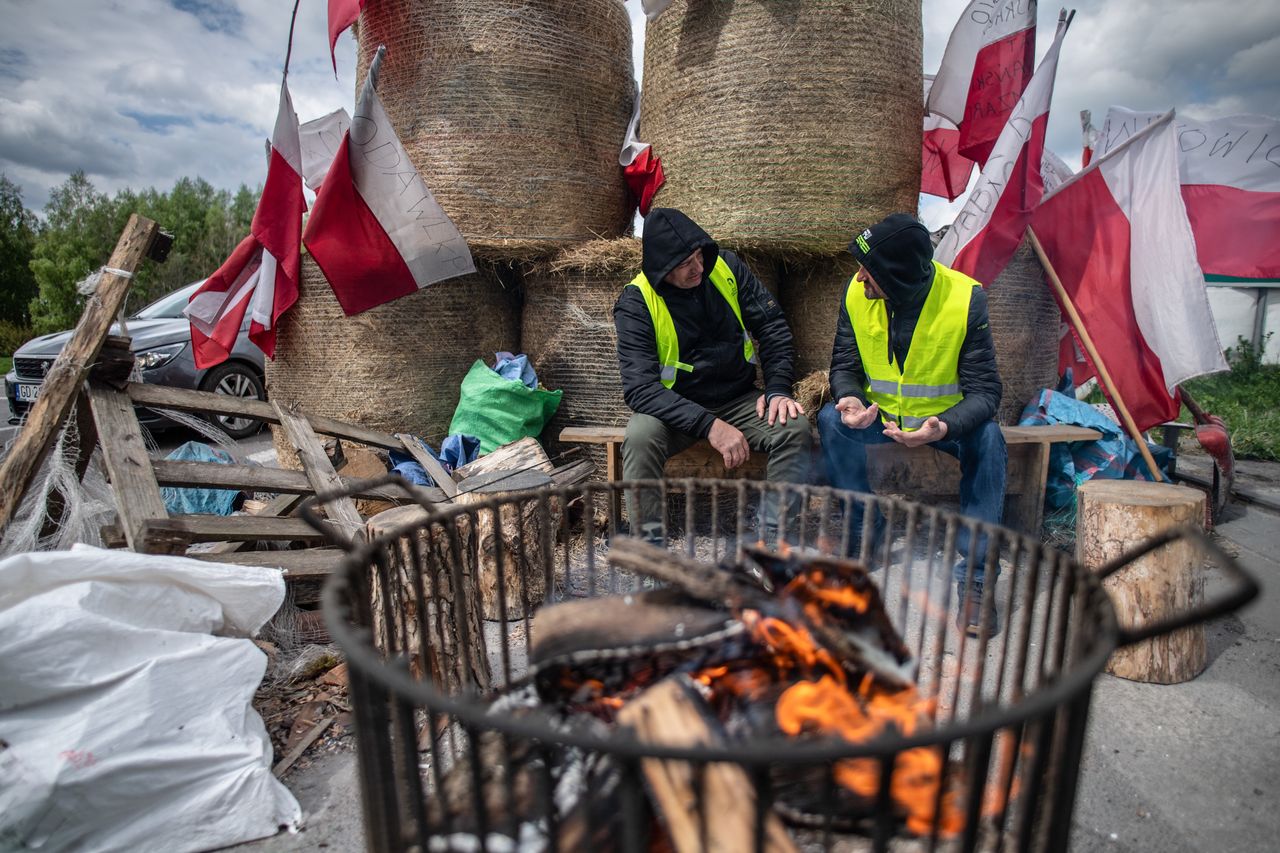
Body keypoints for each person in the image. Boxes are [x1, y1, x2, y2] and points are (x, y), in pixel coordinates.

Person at [816, 213, 1006, 637]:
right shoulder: (856, 293)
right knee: (831, 420)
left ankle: (976, 580)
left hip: (942, 425)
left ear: (897, 277)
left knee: (989, 440)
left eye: (870, 273)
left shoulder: (964, 299)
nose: (860, 279)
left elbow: (986, 392)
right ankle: (869, 529)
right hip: (879, 417)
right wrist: (850, 399)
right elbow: (844, 364)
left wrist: (943, 427)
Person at [614, 207, 811, 544]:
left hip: (738, 397)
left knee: (795, 427)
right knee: (640, 436)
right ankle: (648, 549)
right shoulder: (636, 302)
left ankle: (772, 542)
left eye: (698, 256)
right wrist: (711, 426)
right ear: (662, 270)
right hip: (675, 408)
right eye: (685, 264)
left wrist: (777, 389)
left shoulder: (727, 268)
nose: (698, 267)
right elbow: (641, 389)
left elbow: (773, 327)